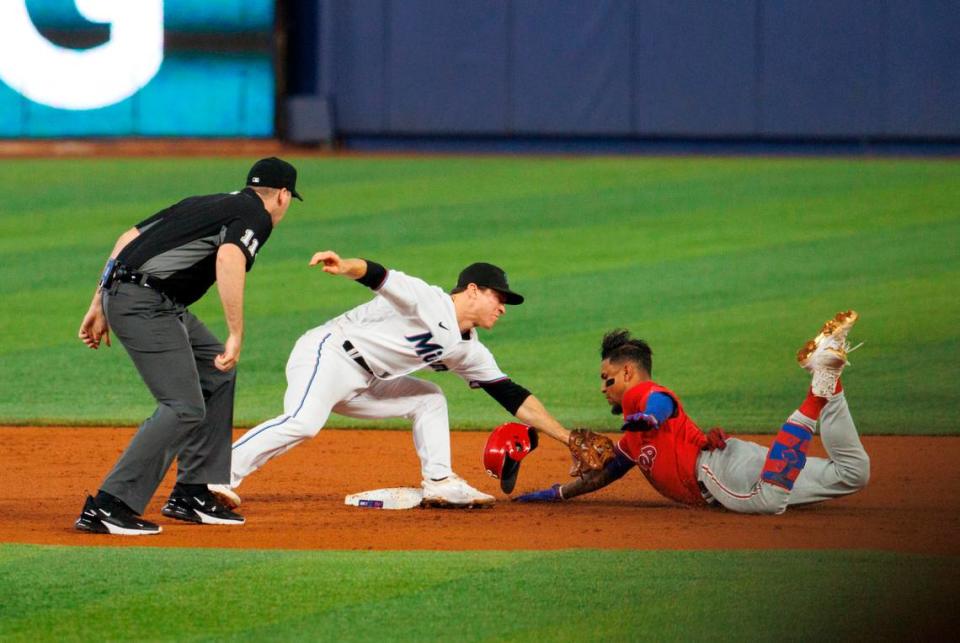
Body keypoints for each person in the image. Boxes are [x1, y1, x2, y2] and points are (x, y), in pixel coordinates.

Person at [212, 251, 573, 509]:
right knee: (303, 422)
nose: (504, 307)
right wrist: (345, 266)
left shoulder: (470, 350)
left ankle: (440, 482)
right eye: (499, 297)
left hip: (365, 381)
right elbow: (379, 275)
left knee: (429, 399)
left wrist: (568, 438)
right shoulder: (429, 300)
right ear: (473, 289)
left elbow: (513, 396)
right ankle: (217, 475)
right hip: (330, 353)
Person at [74, 157, 301, 535]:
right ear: (282, 195)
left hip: (144, 297)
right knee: (183, 406)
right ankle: (109, 505)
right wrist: (236, 332)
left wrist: (99, 301)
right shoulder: (257, 215)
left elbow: (127, 238)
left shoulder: (206, 201)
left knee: (217, 371)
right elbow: (229, 258)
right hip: (145, 303)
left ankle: (191, 493)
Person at [516, 311, 870, 515]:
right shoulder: (633, 440)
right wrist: (560, 492)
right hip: (733, 460)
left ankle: (815, 396)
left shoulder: (642, 396)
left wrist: (650, 417)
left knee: (771, 499)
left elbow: (662, 404)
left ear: (627, 373)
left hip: (718, 476)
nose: (603, 387)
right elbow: (605, 473)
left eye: (607, 379)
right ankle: (829, 378)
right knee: (852, 474)